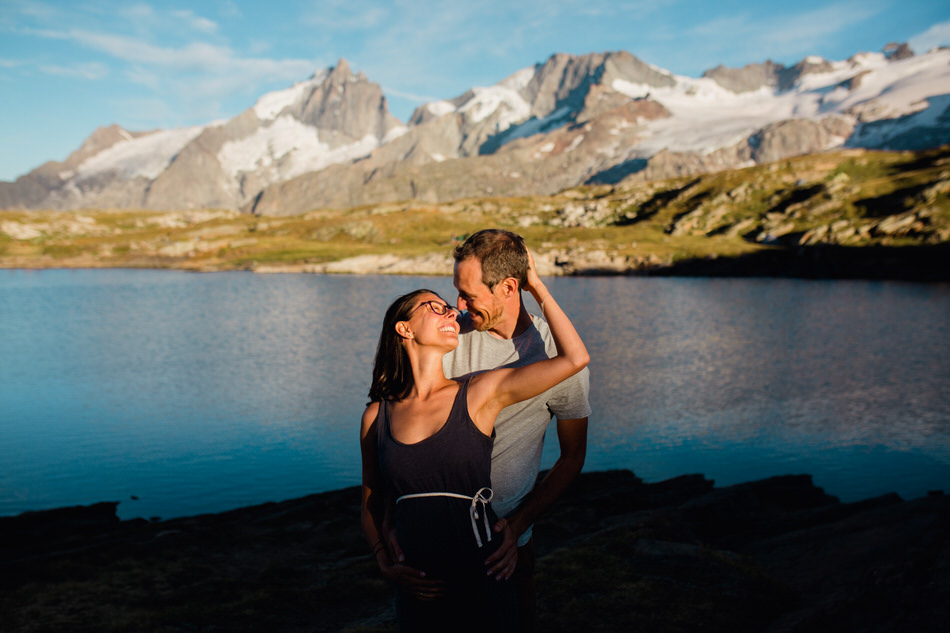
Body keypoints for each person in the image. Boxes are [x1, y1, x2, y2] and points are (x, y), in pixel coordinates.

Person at [360, 250, 589, 633]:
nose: (456, 310)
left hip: (489, 553)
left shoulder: (480, 392)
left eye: (459, 301)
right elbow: (374, 496)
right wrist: (384, 555)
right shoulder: (377, 414)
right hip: (417, 578)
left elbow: (575, 359)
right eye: (442, 305)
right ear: (405, 330)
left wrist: (538, 288)